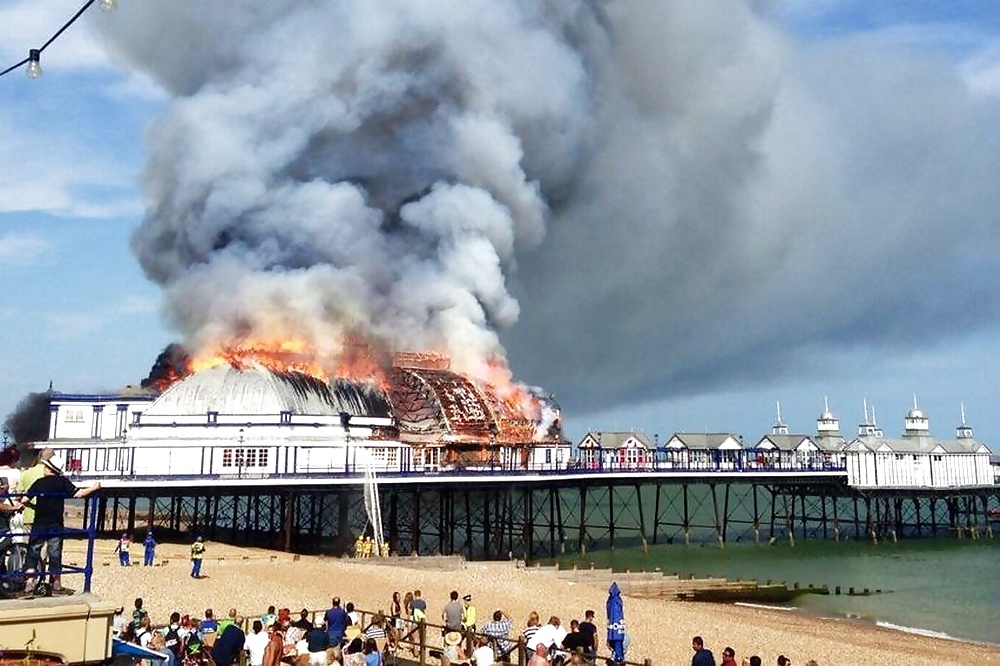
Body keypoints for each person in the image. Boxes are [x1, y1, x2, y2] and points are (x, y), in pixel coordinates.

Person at [21, 454, 101, 594]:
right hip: (56, 523)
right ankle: (56, 582)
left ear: (48, 469)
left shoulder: (39, 482)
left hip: (40, 522)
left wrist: (31, 506)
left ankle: (29, 582)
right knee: (55, 553)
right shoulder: (62, 482)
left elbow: (24, 499)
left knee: (33, 551)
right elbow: (78, 494)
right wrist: (94, 488)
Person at [15, 448, 54, 533]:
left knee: (30, 544)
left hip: (28, 514)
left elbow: (18, 495)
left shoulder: (26, 473)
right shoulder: (53, 476)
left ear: (39, 457)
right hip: (48, 515)